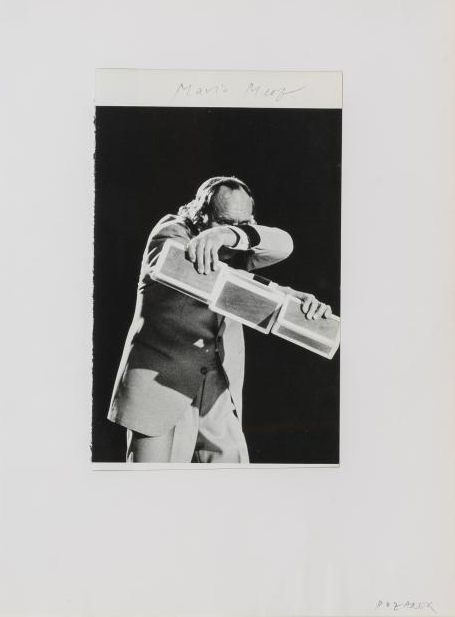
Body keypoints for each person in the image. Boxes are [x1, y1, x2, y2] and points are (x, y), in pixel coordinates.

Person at [107, 176, 331, 463]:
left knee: (234, 486)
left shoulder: (232, 244)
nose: (233, 232)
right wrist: (283, 294)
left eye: (243, 223)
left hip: (218, 389)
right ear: (200, 215)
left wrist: (226, 234)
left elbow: (284, 244)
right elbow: (213, 283)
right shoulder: (169, 233)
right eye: (223, 221)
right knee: (155, 488)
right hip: (159, 391)